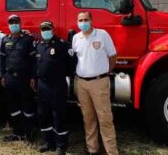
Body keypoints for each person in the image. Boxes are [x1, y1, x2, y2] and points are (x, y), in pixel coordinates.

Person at [72, 11, 118, 155]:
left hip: (99, 83)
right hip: (81, 83)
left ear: (91, 20)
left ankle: (111, 151)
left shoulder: (102, 34)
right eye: (80, 20)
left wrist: (104, 73)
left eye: (86, 19)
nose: (83, 22)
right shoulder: (76, 38)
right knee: (88, 119)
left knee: (105, 119)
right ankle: (93, 149)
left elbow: (112, 55)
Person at [34, 20, 74, 155]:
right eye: (43, 29)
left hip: (57, 85)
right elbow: (36, 65)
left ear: (53, 29)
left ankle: (61, 145)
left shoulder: (62, 45)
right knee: (43, 114)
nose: (45, 31)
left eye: (48, 29)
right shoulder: (38, 45)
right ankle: (48, 142)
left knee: (59, 115)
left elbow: (71, 64)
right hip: (42, 85)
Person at [0, 15, 36, 142]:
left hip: (24, 78)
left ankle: (29, 133)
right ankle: (17, 132)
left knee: (27, 106)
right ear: (8, 25)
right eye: (11, 23)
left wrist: (32, 76)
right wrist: (3, 75)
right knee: (13, 106)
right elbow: (2, 59)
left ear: (20, 24)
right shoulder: (4, 40)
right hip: (10, 78)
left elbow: (33, 60)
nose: (13, 25)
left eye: (16, 22)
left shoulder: (28, 39)